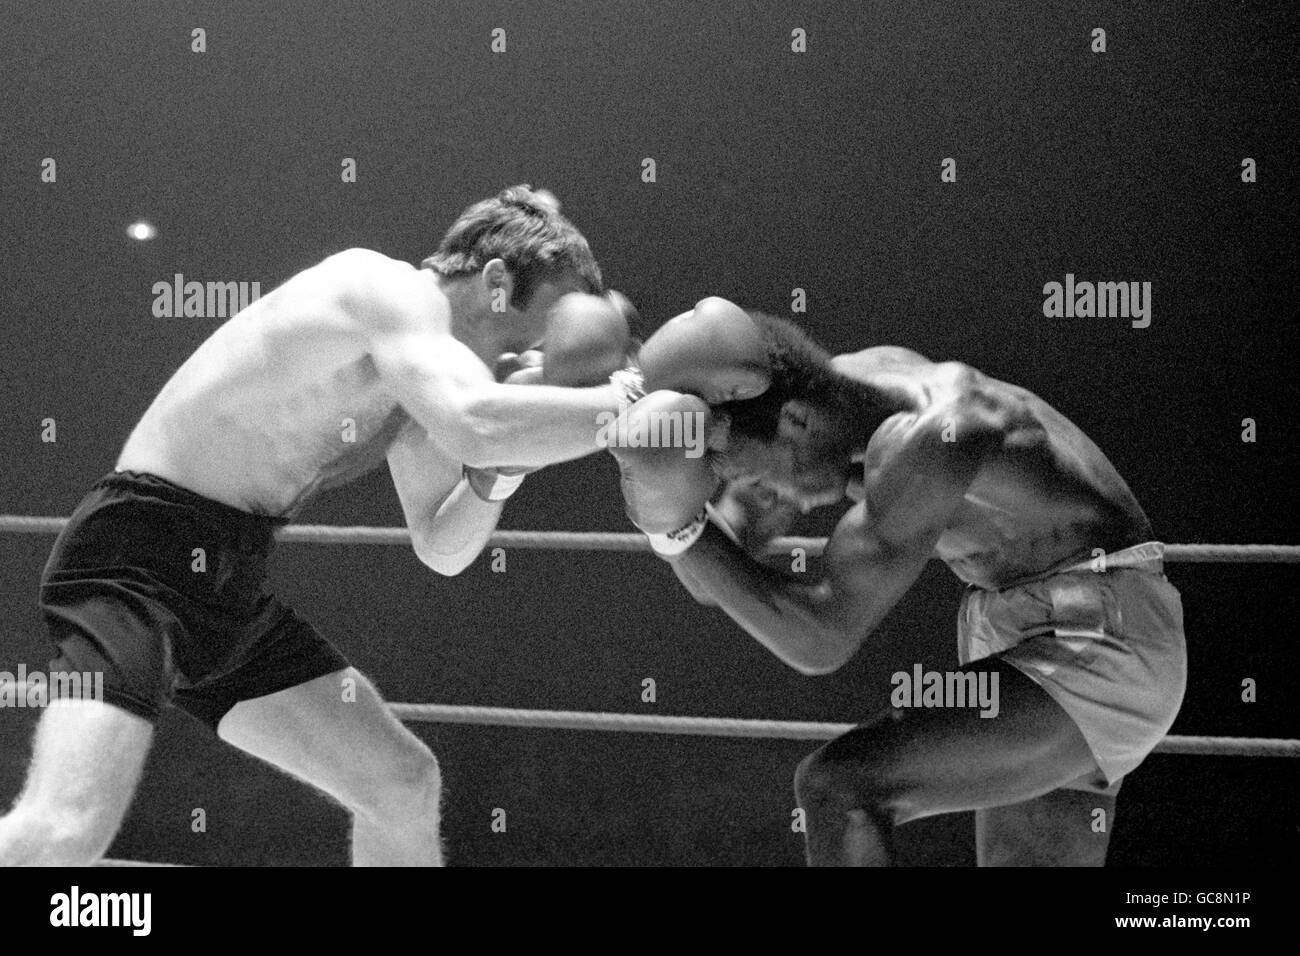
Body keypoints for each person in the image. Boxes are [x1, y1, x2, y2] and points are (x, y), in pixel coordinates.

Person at [0, 185, 638, 866]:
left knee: (401, 783)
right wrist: (627, 402)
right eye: (540, 332)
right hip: (137, 558)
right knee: (63, 833)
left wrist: (505, 468)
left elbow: (444, 545)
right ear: (496, 281)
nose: (533, 359)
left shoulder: (423, 383)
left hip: (224, 583)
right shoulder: (386, 289)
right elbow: (478, 423)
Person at [611, 299, 1187, 866]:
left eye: (755, 473)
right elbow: (724, 567)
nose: (773, 496)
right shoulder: (832, 402)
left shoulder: (939, 435)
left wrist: (678, 530)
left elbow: (821, 639)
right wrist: (670, 491)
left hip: (1101, 640)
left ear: (796, 421)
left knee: (839, 790)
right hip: (1025, 636)